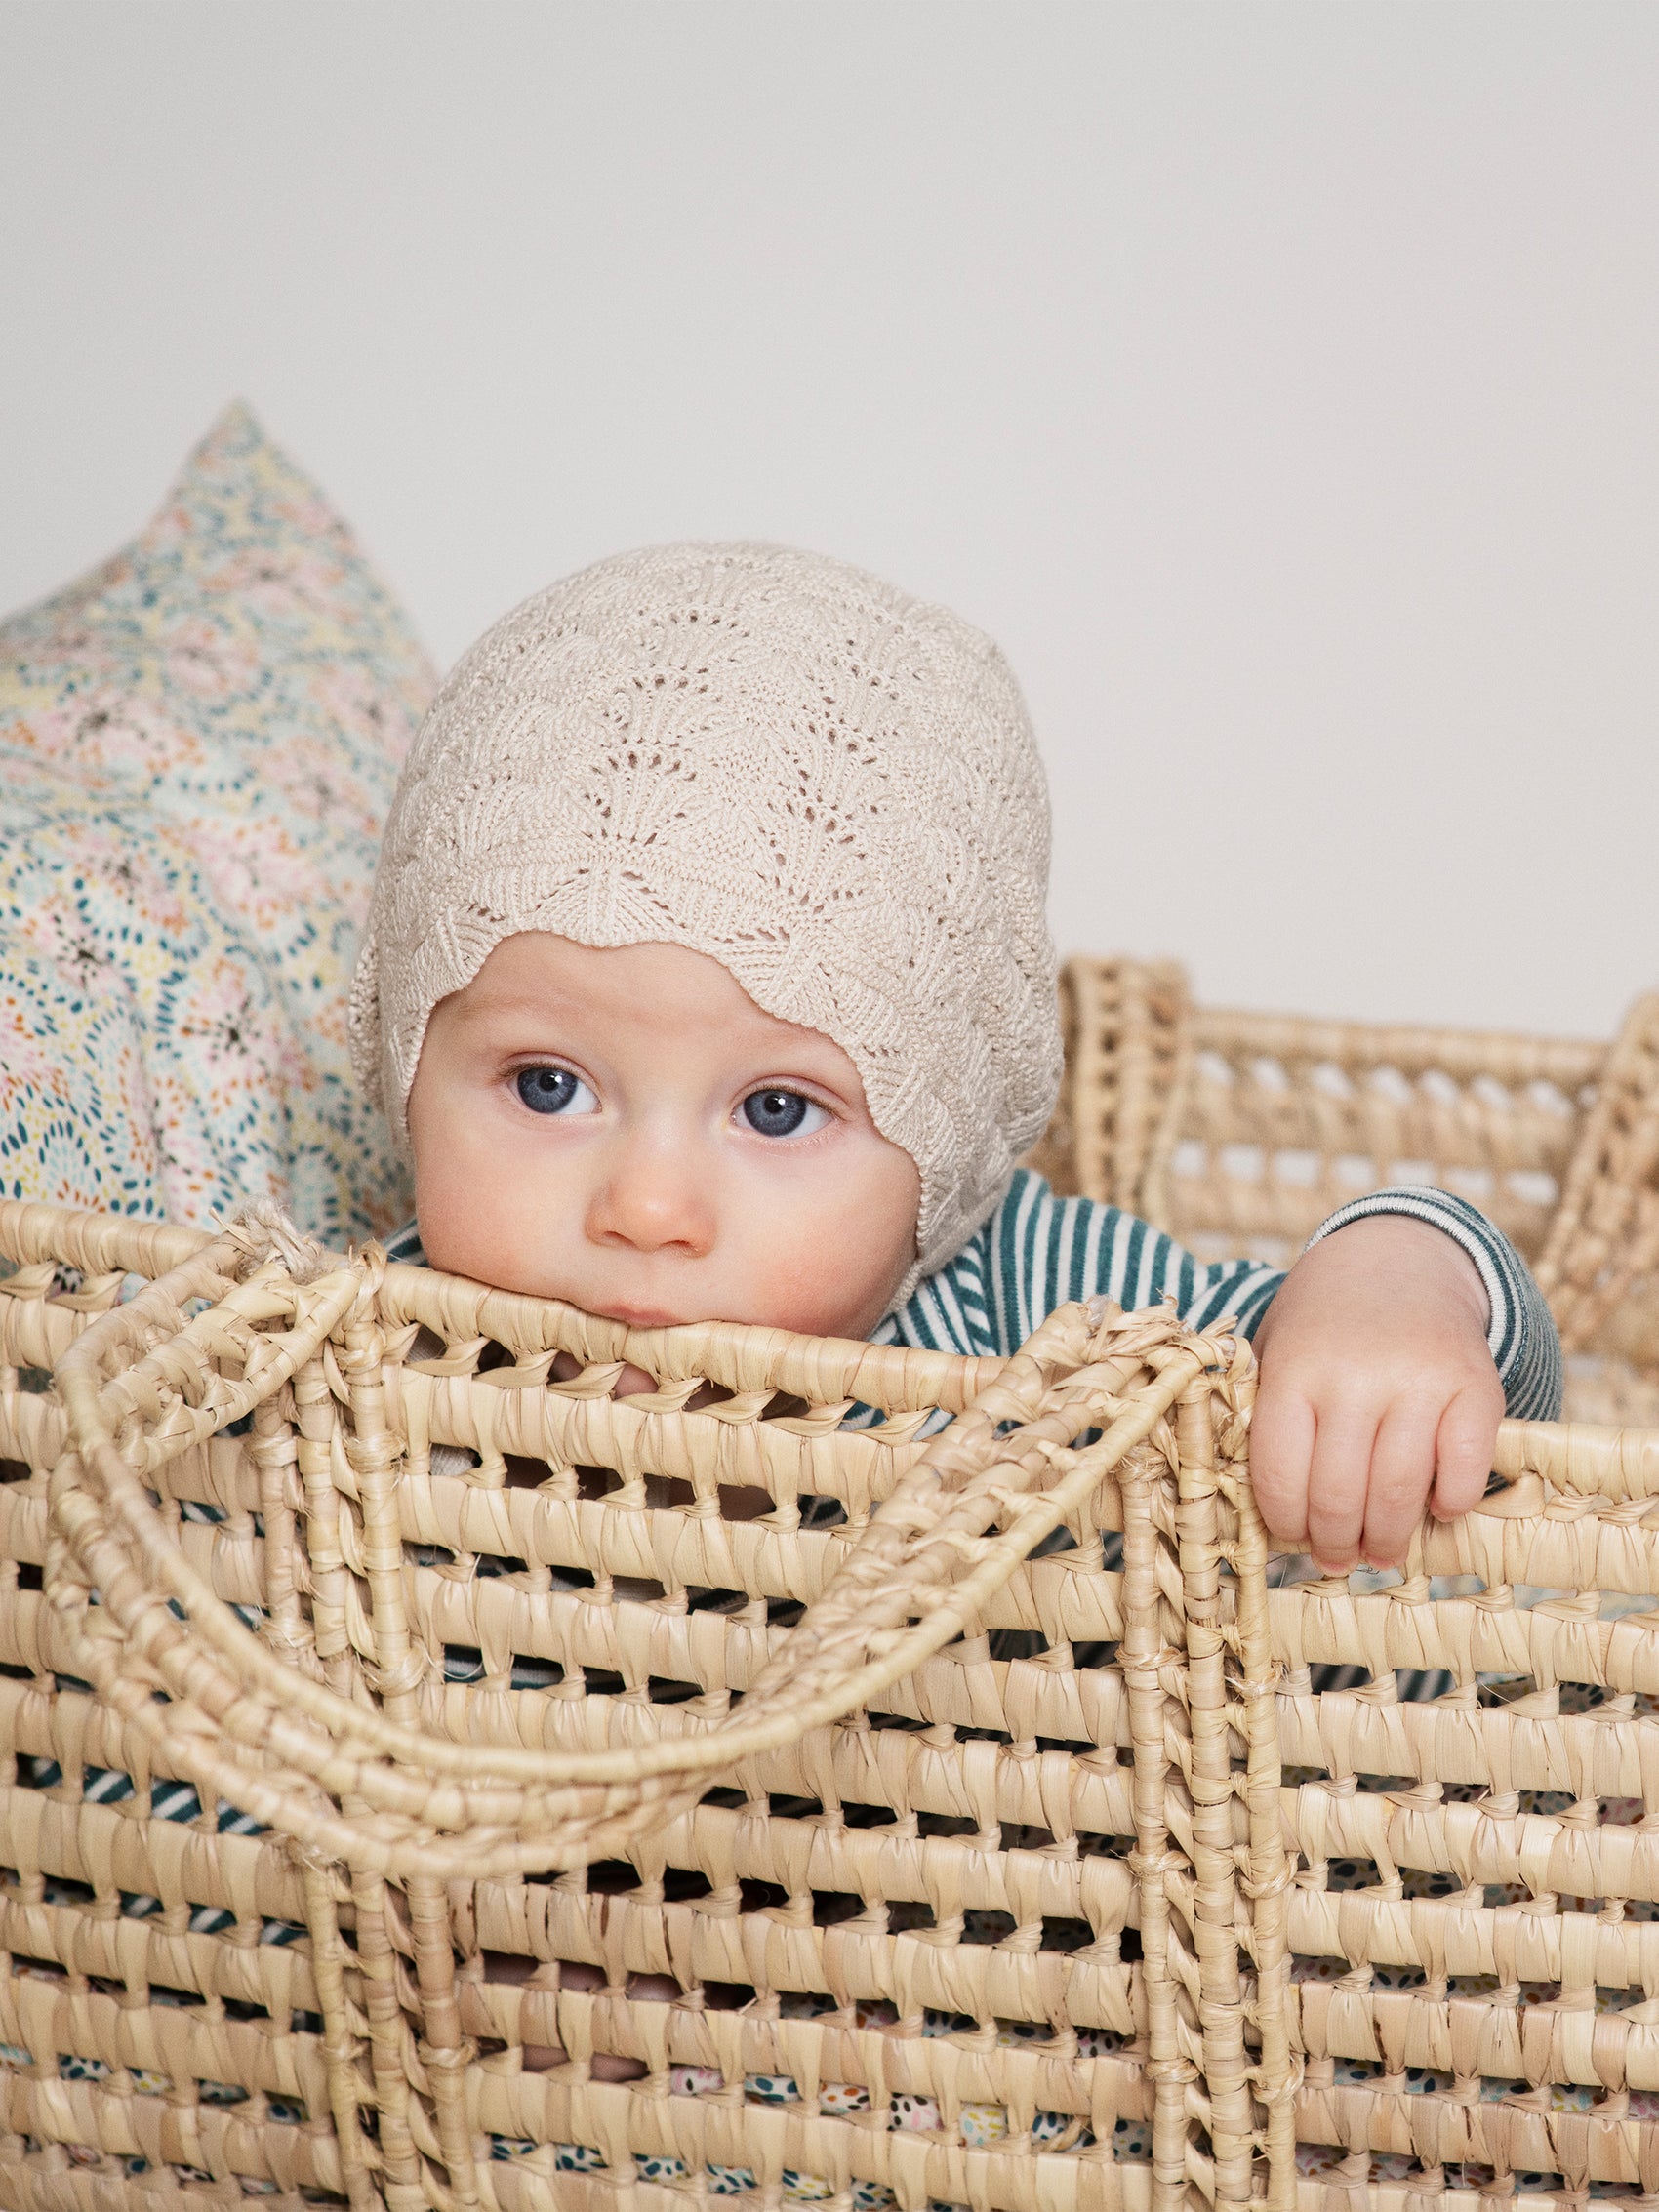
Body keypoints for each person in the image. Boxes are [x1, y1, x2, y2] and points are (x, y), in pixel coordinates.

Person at [350, 541, 1560, 1588]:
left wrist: (1392, 1286)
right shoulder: (360, 1371)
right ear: (405, 1068)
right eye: (546, 1085)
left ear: (943, 1150)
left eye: (776, 1108)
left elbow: (1369, 1378)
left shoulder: (1018, 1305)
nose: (646, 1208)